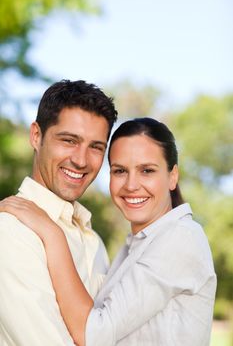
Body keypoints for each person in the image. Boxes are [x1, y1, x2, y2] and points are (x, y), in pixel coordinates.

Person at [0, 118, 217, 346]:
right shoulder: (135, 245)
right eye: (120, 171)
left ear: (173, 176)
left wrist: (52, 235)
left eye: (147, 170)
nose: (131, 185)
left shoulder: (180, 237)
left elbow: (94, 334)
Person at [0, 79, 118, 346]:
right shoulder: (10, 232)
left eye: (96, 147)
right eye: (69, 140)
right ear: (36, 136)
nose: (81, 159)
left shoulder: (94, 241)